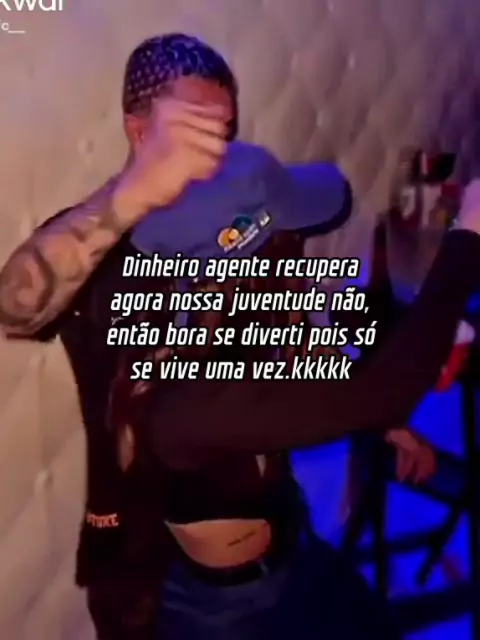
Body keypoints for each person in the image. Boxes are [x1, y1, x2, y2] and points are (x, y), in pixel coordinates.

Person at [1, 33, 480, 639]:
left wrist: (378, 418)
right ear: (140, 131)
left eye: (223, 132)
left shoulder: (237, 221)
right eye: (193, 134)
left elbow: (288, 327)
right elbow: (14, 307)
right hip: (208, 604)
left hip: (292, 543)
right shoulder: (111, 274)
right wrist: (466, 243)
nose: (214, 154)